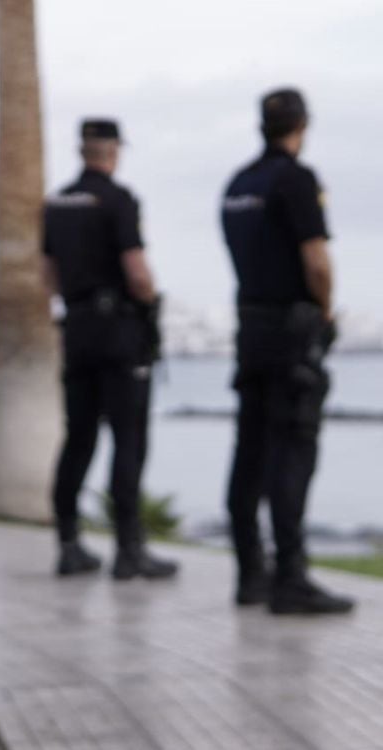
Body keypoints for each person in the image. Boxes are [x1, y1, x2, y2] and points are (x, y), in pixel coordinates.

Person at [221, 89, 353, 614]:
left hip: (250, 329)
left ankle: (250, 572)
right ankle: (290, 578)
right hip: (290, 332)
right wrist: (323, 313)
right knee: (293, 449)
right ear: (302, 125)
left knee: (249, 450)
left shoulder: (238, 183)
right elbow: (316, 260)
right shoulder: (295, 179)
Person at [42, 119, 177, 580]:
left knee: (78, 438)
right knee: (128, 438)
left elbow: (48, 276)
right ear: (113, 151)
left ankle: (68, 542)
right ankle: (128, 550)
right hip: (118, 332)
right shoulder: (119, 200)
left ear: (82, 151)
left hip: (77, 330)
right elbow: (136, 271)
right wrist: (150, 304)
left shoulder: (55, 203)